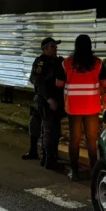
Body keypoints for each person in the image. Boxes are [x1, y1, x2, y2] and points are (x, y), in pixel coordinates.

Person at [57, 34, 106, 181]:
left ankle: (74, 172)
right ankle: (94, 171)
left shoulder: (67, 63)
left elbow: (59, 83)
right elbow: (105, 84)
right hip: (91, 107)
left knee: (74, 140)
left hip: (73, 107)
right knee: (91, 141)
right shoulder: (98, 63)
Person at [26, 37, 64, 169]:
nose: (56, 48)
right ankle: (48, 159)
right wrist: (48, 98)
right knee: (47, 130)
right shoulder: (41, 62)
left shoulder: (58, 61)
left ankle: (49, 156)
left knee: (53, 130)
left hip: (55, 100)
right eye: (53, 46)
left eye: (56, 46)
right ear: (45, 49)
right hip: (45, 101)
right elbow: (37, 81)